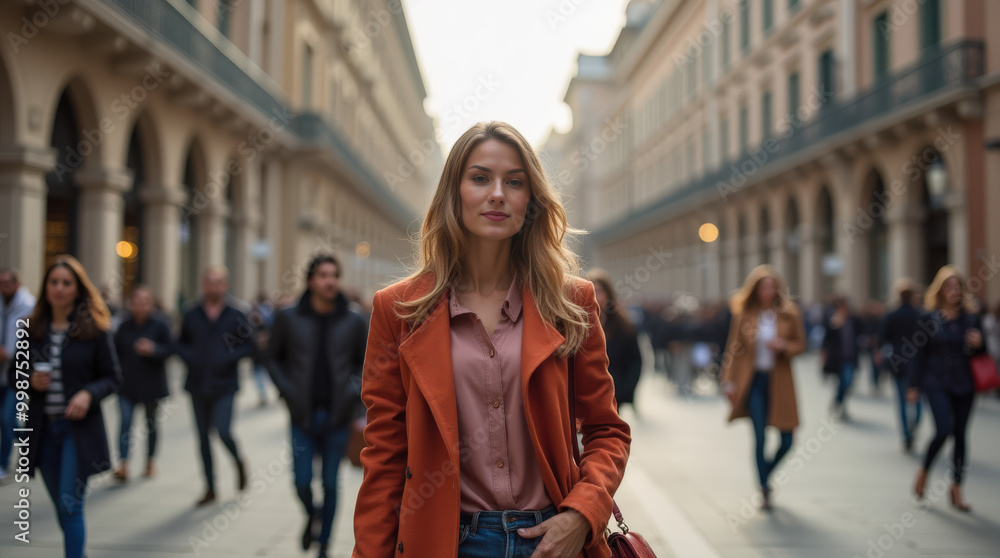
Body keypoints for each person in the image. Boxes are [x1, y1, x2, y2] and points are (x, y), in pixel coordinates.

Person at [352, 121, 631, 558]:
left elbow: (607, 429)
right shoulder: (399, 309)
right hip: (448, 542)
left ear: (530, 200)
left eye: (515, 182)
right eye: (480, 178)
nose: (497, 193)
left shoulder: (571, 301)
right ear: (454, 192)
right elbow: (385, 455)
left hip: (554, 539)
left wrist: (583, 513)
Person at [266, 254, 367, 558]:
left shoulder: (353, 319)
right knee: (301, 481)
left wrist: (354, 392)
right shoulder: (288, 317)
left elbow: (366, 363)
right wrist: (287, 390)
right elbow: (271, 357)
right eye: (323, 275)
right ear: (310, 281)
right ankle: (312, 514)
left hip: (338, 415)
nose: (330, 281)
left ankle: (323, 544)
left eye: (334, 275)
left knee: (331, 484)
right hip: (302, 415)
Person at [22, 255, 122, 558]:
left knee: (70, 502)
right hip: (43, 430)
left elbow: (113, 377)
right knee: (62, 506)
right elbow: (15, 374)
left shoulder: (95, 330)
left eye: (67, 283)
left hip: (77, 431)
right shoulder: (31, 328)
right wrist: (29, 379)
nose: (59, 288)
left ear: (78, 290)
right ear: (46, 287)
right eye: (54, 282)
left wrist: (87, 394)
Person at [721, 265, 805, 511]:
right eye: (763, 287)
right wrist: (729, 380)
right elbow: (734, 349)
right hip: (754, 381)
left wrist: (783, 346)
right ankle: (764, 488)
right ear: (755, 290)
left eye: (771, 286)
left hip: (780, 381)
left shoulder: (789, 313)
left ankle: (765, 473)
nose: (768, 291)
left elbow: (800, 344)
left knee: (788, 439)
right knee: (759, 436)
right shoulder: (746, 314)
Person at [175, 266, 255, 506]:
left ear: (225, 286)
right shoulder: (192, 314)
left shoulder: (236, 313)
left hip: (225, 384)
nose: (214, 286)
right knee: (202, 438)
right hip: (197, 384)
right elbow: (179, 343)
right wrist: (191, 357)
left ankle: (238, 461)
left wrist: (228, 357)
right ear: (203, 285)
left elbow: (250, 345)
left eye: (218, 282)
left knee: (222, 430)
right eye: (210, 282)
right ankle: (210, 487)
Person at [908, 265, 985, 512]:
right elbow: (918, 355)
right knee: (943, 430)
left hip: (964, 383)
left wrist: (979, 344)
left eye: (957, 286)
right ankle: (924, 470)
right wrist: (914, 386)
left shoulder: (970, 318)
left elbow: (982, 354)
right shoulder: (928, 319)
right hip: (936, 381)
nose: (953, 291)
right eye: (948, 286)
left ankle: (957, 488)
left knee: (961, 435)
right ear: (940, 290)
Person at [113, 286, 172, 481]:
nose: (140, 305)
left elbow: (171, 349)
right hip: (126, 385)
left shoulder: (160, 325)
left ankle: (149, 461)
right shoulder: (123, 326)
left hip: (151, 386)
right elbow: (114, 353)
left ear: (151, 304)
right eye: (136, 301)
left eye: (144, 301)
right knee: (125, 422)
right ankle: (123, 464)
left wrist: (153, 349)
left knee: (151, 424)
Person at [586, 269, 642, 414]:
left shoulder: (624, 326)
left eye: (599, 291)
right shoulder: (574, 326)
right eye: (591, 291)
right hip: (583, 398)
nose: (595, 297)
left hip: (613, 398)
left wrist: (624, 391)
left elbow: (635, 361)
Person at [878, 278, 924, 452]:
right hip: (917, 362)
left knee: (901, 399)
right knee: (918, 398)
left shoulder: (892, 315)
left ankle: (906, 434)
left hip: (898, 360)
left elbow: (883, 338)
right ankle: (913, 427)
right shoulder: (920, 315)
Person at [1, 268, 36, 481]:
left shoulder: (29, 306)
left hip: (20, 374)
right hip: (1, 373)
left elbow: (32, 344)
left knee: (7, 417)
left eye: (7, 282)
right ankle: (28, 447)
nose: (3, 286)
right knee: (5, 419)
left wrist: (10, 352)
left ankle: (7, 461)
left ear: (16, 284)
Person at [822, 297, 863, 421]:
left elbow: (860, 334)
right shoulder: (833, 321)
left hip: (851, 357)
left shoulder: (853, 321)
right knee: (843, 382)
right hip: (838, 359)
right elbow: (827, 340)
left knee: (848, 382)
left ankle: (838, 402)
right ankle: (840, 404)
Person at [250, 293, 275, 407]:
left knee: (262, 373)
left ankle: (265, 393)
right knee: (259, 373)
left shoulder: (267, 314)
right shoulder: (268, 313)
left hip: (264, 351)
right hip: (258, 352)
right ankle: (263, 393)